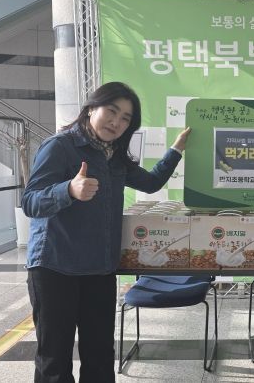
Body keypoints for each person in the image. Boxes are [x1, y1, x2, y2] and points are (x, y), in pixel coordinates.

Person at [22, 81, 190, 382]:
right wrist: (68, 190)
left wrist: (176, 149)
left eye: (125, 118)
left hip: (99, 269)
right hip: (55, 267)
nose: (116, 122)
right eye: (111, 111)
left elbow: (151, 183)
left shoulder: (115, 157)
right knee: (54, 360)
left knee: (100, 357)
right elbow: (30, 202)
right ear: (91, 109)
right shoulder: (60, 147)